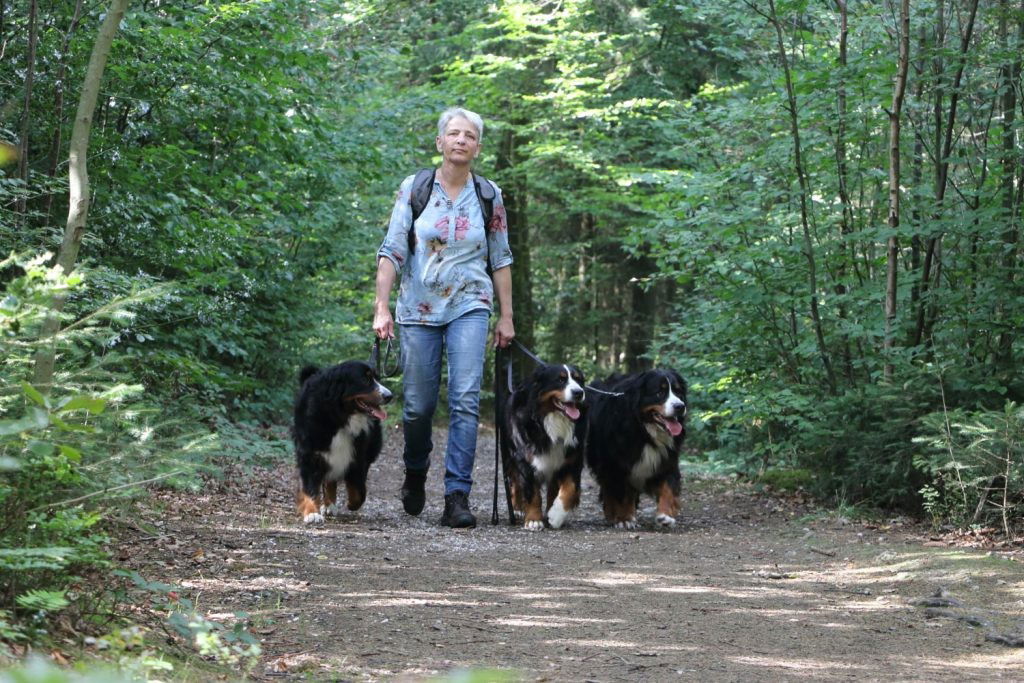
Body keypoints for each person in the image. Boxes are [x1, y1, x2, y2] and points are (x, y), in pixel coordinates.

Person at [373, 107, 514, 528]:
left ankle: (457, 496)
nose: (460, 140)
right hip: (418, 308)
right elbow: (392, 249)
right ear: (440, 142)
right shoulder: (414, 188)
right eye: (453, 134)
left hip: (471, 304)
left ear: (477, 147)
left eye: (469, 135)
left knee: (465, 399)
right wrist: (381, 306)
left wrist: (506, 316)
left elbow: (500, 257)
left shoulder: (489, 194)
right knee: (418, 407)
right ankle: (415, 471)